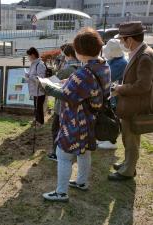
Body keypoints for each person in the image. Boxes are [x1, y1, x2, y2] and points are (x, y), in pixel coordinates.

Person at [40, 27, 111, 202]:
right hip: (92, 118)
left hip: (76, 120)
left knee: (63, 154)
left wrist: (46, 85)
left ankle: (61, 192)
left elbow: (67, 95)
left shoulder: (83, 73)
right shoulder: (104, 65)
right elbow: (85, 88)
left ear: (80, 52)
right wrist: (69, 81)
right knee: (84, 152)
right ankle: (81, 182)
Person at [108, 21, 153, 181]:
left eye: (122, 39)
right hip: (131, 104)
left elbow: (143, 86)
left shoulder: (145, 56)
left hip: (135, 106)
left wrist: (120, 89)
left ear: (130, 40)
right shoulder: (139, 53)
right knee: (128, 137)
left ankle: (128, 171)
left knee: (132, 139)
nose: (121, 43)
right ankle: (128, 164)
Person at [48, 43, 81, 161]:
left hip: (62, 104)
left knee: (56, 129)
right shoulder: (82, 66)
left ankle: (56, 153)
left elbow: (55, 80)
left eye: (65, 55)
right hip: (75, 105)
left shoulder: (69, 69)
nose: (64, 57)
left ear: (70, 55)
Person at [98, 38, 128, 150]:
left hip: (117, 96)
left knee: (114, 118)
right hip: (114, 94)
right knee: (111, 116)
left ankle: (112, 141)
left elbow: (106, 78)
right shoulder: (117, 60)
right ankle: (109, 138)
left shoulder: (120, 63)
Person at [25, 47, 47, 126]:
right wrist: (28, 74)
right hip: (35, 89)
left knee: (39, 107)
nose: (28, 57)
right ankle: (37, 120)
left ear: (33, 55)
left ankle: (40, 122)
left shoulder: (39, 64)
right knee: (36, 106)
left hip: (39, 90)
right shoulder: (34, 63)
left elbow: (41, 78)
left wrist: (30, 77)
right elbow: (33, 74)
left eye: (28, 56)